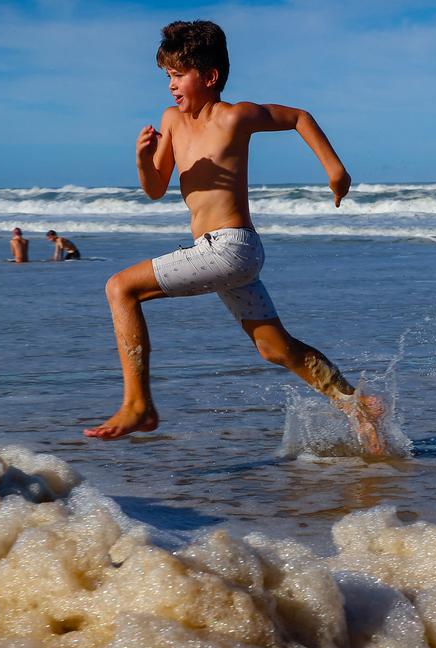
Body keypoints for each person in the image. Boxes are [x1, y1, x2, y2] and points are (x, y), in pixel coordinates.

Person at [83, 20, 384, 455]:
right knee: (274, 348)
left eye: (179, 74)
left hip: (230, 247)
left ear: (210, 77)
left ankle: (137, 405)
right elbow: (153, 188)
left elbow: (299, 117)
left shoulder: (235, 116)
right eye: (167, 75)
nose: (171, 85)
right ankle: (358, 408)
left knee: (120, 288)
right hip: (223, 255)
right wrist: (142, 158)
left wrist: (336, 170)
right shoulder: (171, 122)